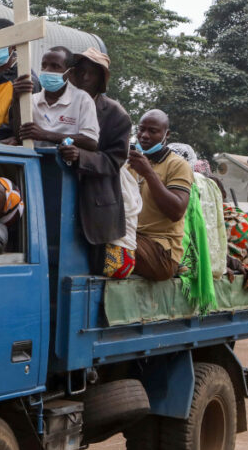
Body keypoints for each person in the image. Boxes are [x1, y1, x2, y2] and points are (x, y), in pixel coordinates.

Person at [56, 49, 132, 272]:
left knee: (91, 269)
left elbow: (114, 160)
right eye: (81, 72)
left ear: (102, 80)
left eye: (92, 74)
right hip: (57, 194)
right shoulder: (58, 102)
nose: (85, 78)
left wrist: (82, 157)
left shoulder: (117, 115)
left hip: (95, 205)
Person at [126, 110, 193, 282]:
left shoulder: (177, 165)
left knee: (110, 249)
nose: (144, 136)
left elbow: (176, 211)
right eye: (141, 130)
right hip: (132, 238)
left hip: (161, 251)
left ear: (166, 134)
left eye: (153, 131)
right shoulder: (129, 164)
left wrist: (149, 173)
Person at [17, 46, 99, 151]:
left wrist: (46, 135)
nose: (47, 70)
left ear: (69, 73)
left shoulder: (82, 100)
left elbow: (90, 141)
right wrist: (16, 99)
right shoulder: (32, 100)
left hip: (64, 164)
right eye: (44, 65)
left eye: (55, 66)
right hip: (34, 163)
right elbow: (19, 136)